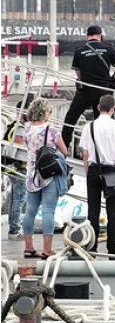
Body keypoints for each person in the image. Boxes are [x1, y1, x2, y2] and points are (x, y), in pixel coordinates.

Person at [80, 94, 115, 256]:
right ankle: (112, 249)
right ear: (112, 109)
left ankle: (92, 247)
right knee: (112, 212)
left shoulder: (89, 126)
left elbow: (85, 153)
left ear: (98, 107)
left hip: (94, 169)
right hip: (112, 170)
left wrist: (88, 171)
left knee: (93, 211)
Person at [21, 99, 68, 259]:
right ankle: (47, 249)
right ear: (44, 112)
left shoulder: (26, 128)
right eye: (48, 111)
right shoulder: (51, 130)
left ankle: (29, 247)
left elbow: (25, 127)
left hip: (32, 174)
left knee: (30, 211)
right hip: (48, 174)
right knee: (48, 211)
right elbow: (64, 151)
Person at [62, 25, 115, 148]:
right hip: (104, 91)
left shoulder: (79, 51)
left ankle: (63, 146)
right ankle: (102, 149)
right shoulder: (109, 49)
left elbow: (78, 74)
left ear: (87, 36)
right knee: (101, 121)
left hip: (85, 90)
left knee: (71, 118)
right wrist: (112, 83)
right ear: (100, 36)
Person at [3, 100, 28, 240]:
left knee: (15, 198)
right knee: (19, 199)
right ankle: (14, 230)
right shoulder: (19, 128)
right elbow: (21, 150)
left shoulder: (14, 125)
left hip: (13, 168)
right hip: (19, 168)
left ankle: (14, 228)